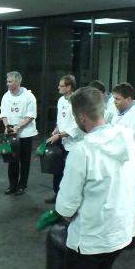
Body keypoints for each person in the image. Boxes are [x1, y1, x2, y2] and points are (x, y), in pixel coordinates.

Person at [55, 86, 135, 269]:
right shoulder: (127, 140)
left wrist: (66, 214)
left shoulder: (83, 151)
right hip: (119, 234)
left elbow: (66, 206)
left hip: (89, 240)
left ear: (81, 117)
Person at [45, 75, 82, 204]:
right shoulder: (61, 100)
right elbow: (60, 119)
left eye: (61, 86)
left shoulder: (77, 102)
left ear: (69, 87)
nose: (58, 87)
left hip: (73, 143)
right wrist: (57, 128)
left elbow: (75, 126)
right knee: (57, 169)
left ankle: (70, 198)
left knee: (70, 171)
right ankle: (57, 194)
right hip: (61, 139)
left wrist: (59, 135)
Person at [0, 71, 37, 196]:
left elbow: (30, 116)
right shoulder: (6, 96)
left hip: (25, 134)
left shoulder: (29, 97)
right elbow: (4, 114)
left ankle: (22, 185)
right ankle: (12, 185)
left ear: (17, 82)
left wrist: (18, 127)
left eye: (10, 81)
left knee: (24, 161)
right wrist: (7, 126)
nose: (7, 83)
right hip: (11, 134)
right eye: (7, 81)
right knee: (12, 160)